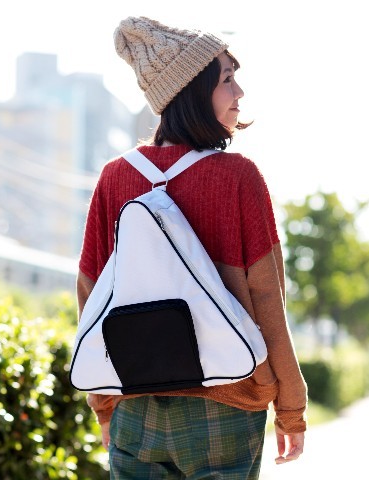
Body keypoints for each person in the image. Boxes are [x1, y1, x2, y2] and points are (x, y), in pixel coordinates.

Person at [77, 15, 308, 479]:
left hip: (135, 404)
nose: (239, 92)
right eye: (226, 79)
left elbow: (90, 292)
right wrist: (291, 406)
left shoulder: (114, 177)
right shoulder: (238, 176)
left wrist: (103, 402)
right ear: (192, 91)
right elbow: (267, 299)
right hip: (228, 400)